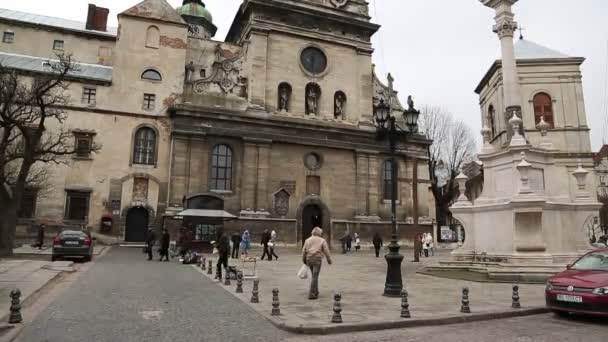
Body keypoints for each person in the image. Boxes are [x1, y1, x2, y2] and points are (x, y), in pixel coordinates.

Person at [302, 227, 332, 300]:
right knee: (315, 276)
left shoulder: (307, 240)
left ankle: (316, 291)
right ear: (319, 233)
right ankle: (311, 294)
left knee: (314, 276)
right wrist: (329, 260)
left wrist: (304, 260)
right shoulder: (322, 240)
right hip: (317, 259)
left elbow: (304, 251)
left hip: (309, 259)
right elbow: (326, 251)